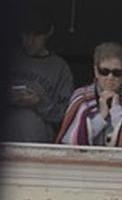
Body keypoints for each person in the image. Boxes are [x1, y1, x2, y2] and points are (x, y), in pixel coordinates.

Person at [56, 42, 122, 148]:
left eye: (117, 73)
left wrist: (116, 110)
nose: (110, 77)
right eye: (104, 71)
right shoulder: (81, 97)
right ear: (96, 71)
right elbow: (70, 142)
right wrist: (101, 116)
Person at [5, 10, 75, 143]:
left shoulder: (60, 68)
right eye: (26, 35)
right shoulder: (10, 59)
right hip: (4, 137)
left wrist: (39, 103)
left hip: (36, 141)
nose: (30, 41)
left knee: (26, 119)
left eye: (36, 36)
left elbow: (64, 116)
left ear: (48, 33)